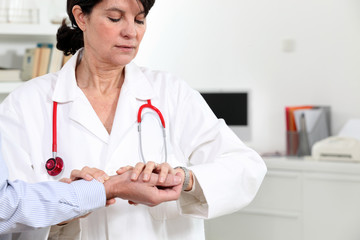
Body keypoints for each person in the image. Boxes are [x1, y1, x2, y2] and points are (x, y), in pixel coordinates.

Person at [0, 0, 267, 239]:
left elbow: (246, 166)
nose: (131, 31)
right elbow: (8, 211)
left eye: (139, 19)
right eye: (115, 18)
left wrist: (184, 178)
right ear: (81, 17)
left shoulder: (171, 92)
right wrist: (70, 200)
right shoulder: (25, 104)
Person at [0, 135, 182, 237]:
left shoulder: (175, 89)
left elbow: (209, 174)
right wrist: (106, 188)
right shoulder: (23, 101)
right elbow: (5, 208)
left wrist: (184, 178)